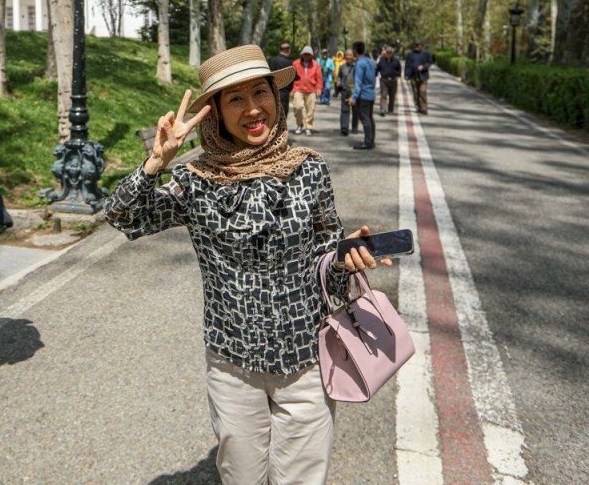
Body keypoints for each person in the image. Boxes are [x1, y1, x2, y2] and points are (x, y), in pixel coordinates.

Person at [104, 44, 390, 485]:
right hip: (232, 363)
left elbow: (326, 267)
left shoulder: (309, 171)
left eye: (261, 92)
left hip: (308, 360)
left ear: (276, 98)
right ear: (216, 111)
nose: (254, 108)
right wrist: (155, 163)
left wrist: (344, 257)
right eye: (236, 98)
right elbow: (124, 218)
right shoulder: (195, 181)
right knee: (241, 476)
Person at [349, 41, 377, 150]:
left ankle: (367, 142)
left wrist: (354, 97)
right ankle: (371, 140)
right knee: (370, 118)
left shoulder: (359, 64)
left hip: (364, 95)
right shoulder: (370, 62)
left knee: (365, 119)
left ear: (355, 51)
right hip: (371, 94)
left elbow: (358, 82)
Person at [291, 45, 323, 136]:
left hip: (311, 89)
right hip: (298, 88)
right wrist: (292, 89)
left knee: (310, 110)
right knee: (297, 107)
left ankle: (308, 127)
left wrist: (319, 88)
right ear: (302, 54)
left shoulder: (316, 64)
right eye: (305, 54)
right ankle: (299, 124)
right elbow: (292, 77)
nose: (306, 56)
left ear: (311, 55)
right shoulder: (295, 63)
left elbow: (319, 78)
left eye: (308, 54)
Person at [404, 39, 433, 114]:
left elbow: (430, 62)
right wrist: (406, 75)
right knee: (416, 93)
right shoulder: (410, 54)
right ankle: (419, 106)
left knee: (422, 92)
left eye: (418, 45)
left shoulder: (426, 53)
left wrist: (423, 66)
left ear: (421, 45)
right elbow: (407, 66)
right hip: (413, 76)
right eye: (415, 45)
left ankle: (424, 108)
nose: (416, 47)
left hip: (423, 76)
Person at [268, 42, 293, 120]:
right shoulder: (289, 62)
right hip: (284, 91)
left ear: (280, 50)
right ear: (289, 50)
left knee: (274, 112)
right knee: (283, 113)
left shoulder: (273, 60)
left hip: (273, 90)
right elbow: (293, 77)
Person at [335, 49, 358, 136]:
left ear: (353, 56)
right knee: (344, 109)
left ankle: (355, 127)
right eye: (347, 55)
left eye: (350, 55)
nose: (348, 57)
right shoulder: (342, 67)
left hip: (354, 91)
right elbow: (339, 76)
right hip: (345, 90)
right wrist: (339, 81)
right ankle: (344, 128)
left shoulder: (356, 66)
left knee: (355, 110)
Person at [376, 46, 402, 116]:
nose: (388, 54)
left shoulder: (396, 61)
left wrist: (398, 76)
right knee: (383, 95)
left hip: (393, 80)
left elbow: (399, 69)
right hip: (384, 80)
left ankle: (390, 110)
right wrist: (374, 76)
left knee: (392, 96)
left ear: (392, 53)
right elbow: (377, 69)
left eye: (390, 52)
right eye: (387, 52)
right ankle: (383, 109)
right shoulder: (382, 60)